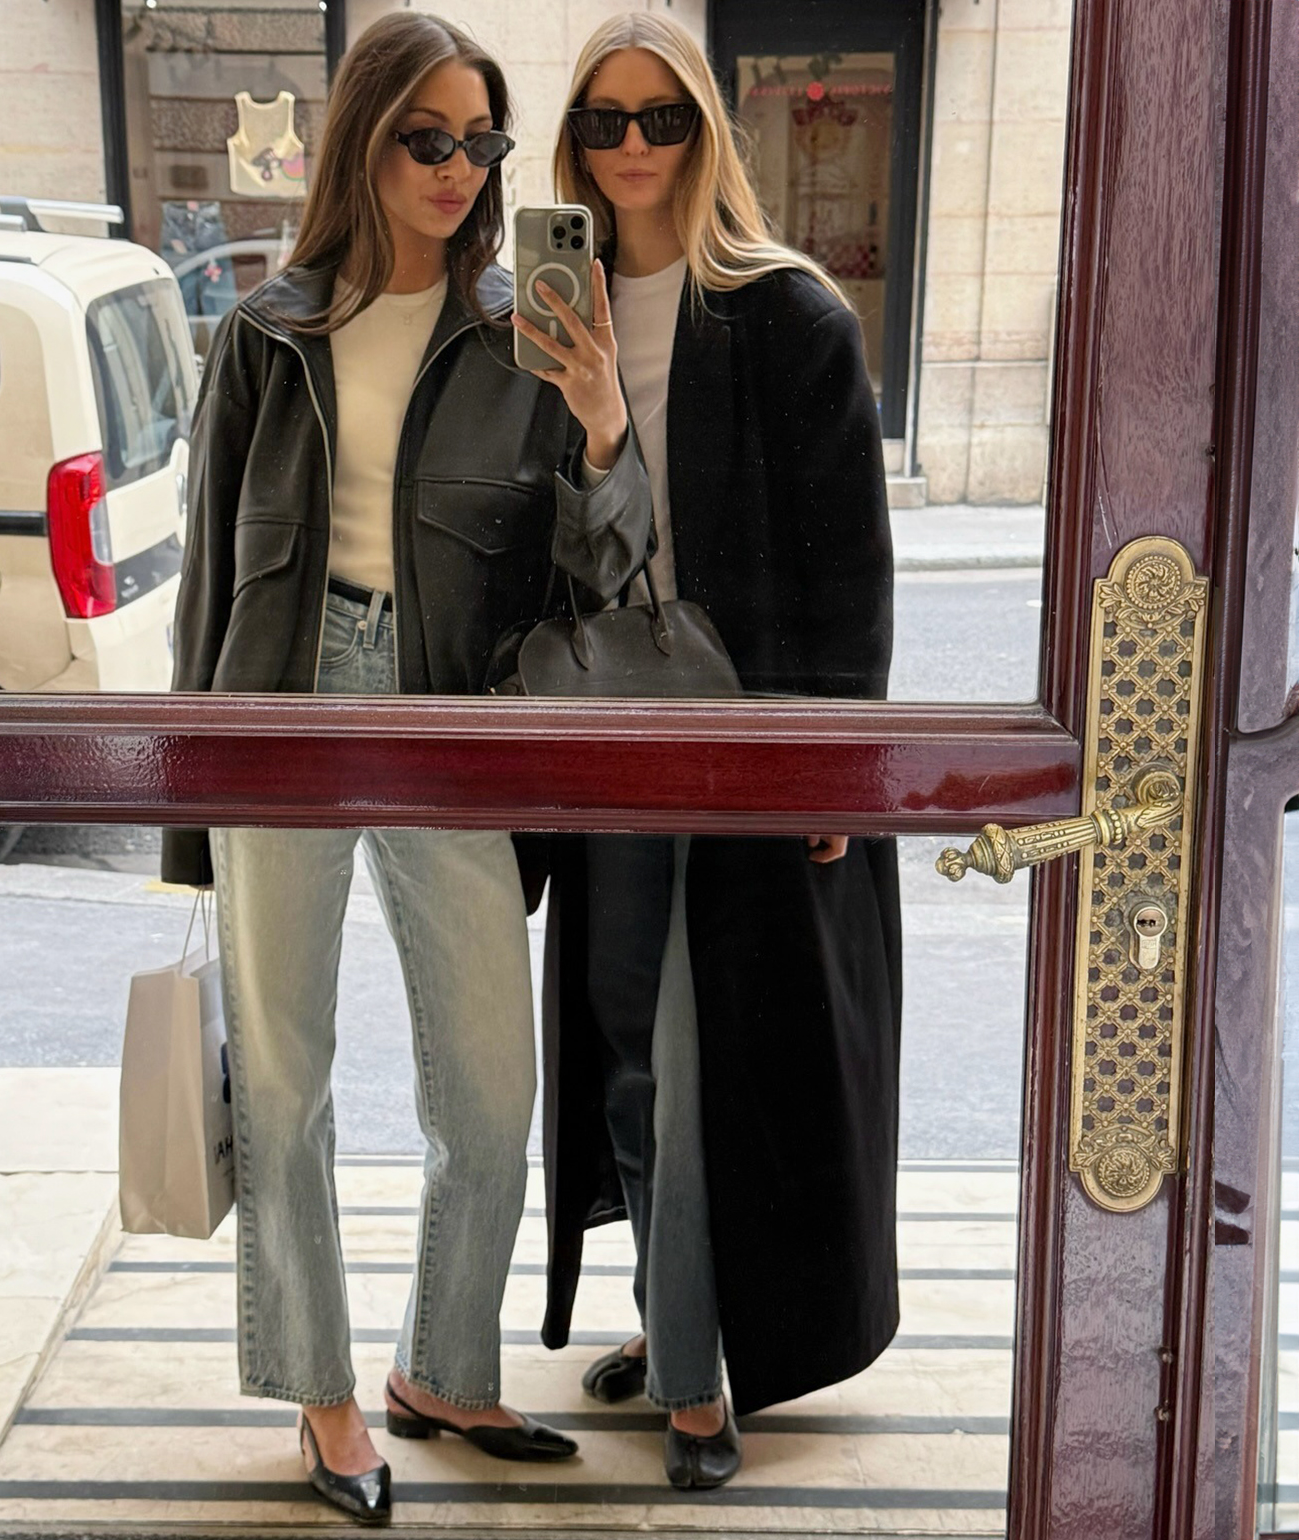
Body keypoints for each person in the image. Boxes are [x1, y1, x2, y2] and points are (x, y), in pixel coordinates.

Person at [163, 13, 649, 1525]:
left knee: (491, 1094)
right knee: (291, 1086)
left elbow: (607, 578)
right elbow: (206, 578)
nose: (457, 167)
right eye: (425, 136)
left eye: (481, 141)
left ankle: (446, 1364)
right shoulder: (267, 331)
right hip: (284, 710)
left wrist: (600, 423)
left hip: (450, 719)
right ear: (364, 141)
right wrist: (193, 817)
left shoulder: (527, 329)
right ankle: (324, 1396)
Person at [515, 12, 902, 1493]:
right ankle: (671, 1320)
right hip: (605, 731)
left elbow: (850, 571)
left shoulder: (791, 316)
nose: (628, 149)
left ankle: (692, 1376)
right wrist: (588, 415)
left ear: (705, 134)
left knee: (700, 1052)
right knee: (620, 1037)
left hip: (741, 750)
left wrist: (831, 766)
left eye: (658, 120)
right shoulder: (555, 311)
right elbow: (549, 551)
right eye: (603, 122)